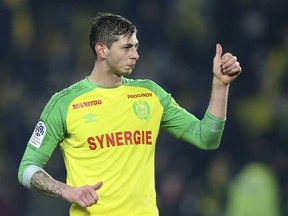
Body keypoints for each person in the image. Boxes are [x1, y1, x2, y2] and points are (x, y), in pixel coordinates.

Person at [18, 12, 242, 216]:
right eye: (126, 48)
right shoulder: (64, 103)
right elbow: (27, 168)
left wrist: (220, 85)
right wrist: (66, 191)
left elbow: (207, 138)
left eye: (136, 47)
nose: (135, 55)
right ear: (101, 50)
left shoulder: (150, 94)